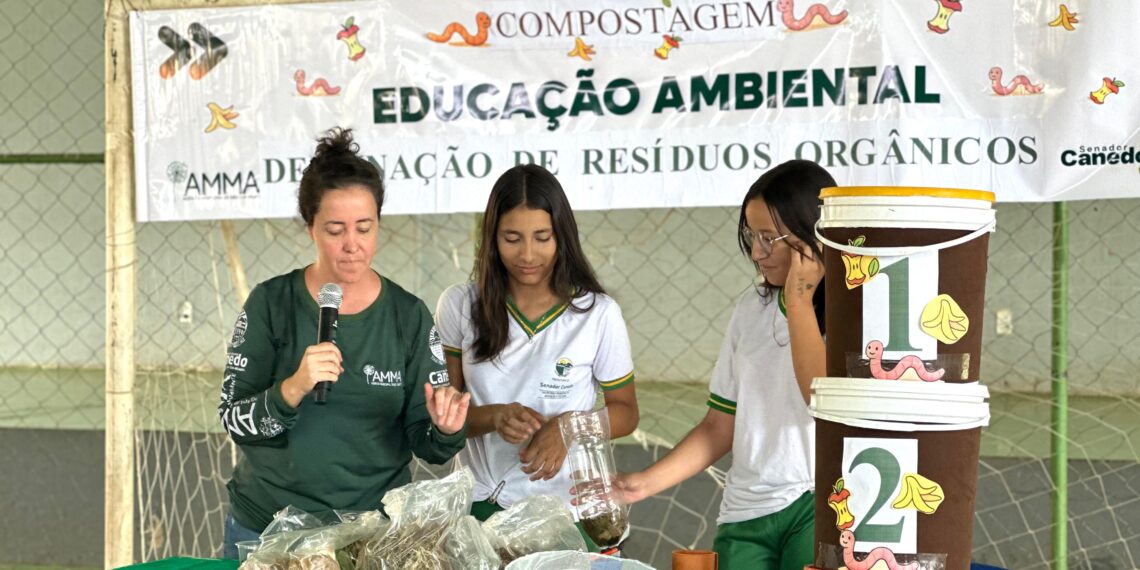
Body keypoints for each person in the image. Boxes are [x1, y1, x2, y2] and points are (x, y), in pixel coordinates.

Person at [217, 127, 470, 559]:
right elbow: (232, 419)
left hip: (371, 534)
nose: (352, 245)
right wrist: (292, 388)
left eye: (364, 228)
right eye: (335, 229)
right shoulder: (271, 303)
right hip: (266, 529)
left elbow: (425, 443)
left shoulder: (407, 316)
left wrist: (446, 429)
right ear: (310, 227)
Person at [608, 160, 833, 570]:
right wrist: (643, 484)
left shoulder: (852, 312)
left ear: (812, 237)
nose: (757, 253)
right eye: (751, 236)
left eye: (770, 238)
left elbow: (819, 397)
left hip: (819, 503)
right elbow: (720, 425)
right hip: (746, 512)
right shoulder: (751, 309)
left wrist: (800, 301)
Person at [434, 164, 639, 552]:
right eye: (512, 238)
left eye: (542, 237)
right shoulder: (460, 305)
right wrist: (494, 416)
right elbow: (445, 418)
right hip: (481, 508)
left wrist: (570, 428)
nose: (528, 254)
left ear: (562, 236)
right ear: (491, 239)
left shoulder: (597, 313)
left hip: (567, 511)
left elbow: (626, 412)